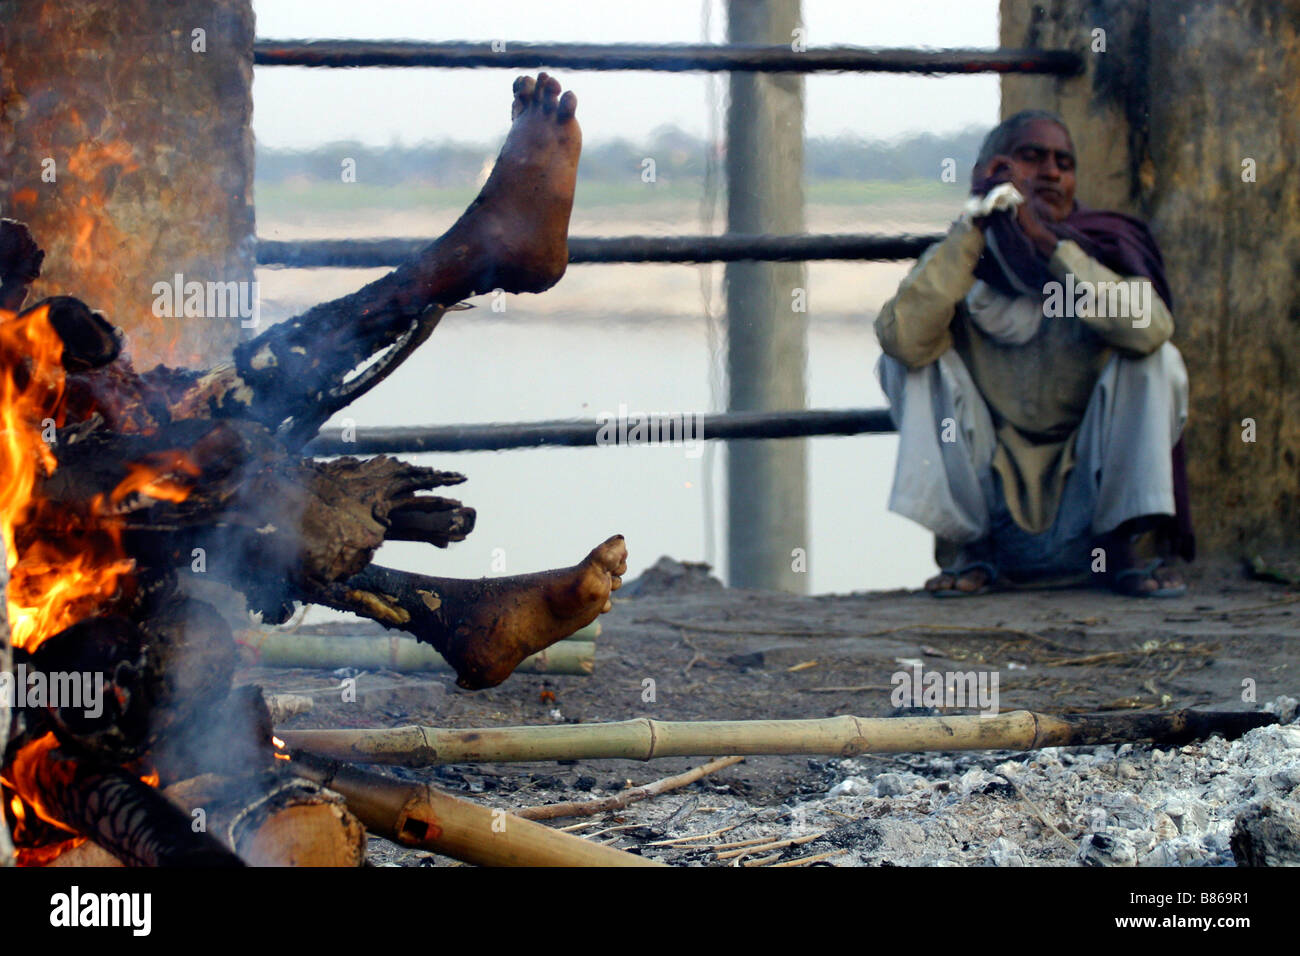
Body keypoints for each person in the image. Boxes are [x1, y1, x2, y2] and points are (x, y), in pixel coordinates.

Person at [874, 110, 1192, 597]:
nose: (1050, 173)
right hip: (991, 506)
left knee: (1156, 358)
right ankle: (970, 552)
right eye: (1030, 157)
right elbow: (901, 338)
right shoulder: (962, 259)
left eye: (1063, 163)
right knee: (906, 361)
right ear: (991, 170)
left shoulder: (1100, 246)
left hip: (1086, 507)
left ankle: (1124, 550)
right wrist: (975, 228)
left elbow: (1152, 330)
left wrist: (1049, 244)